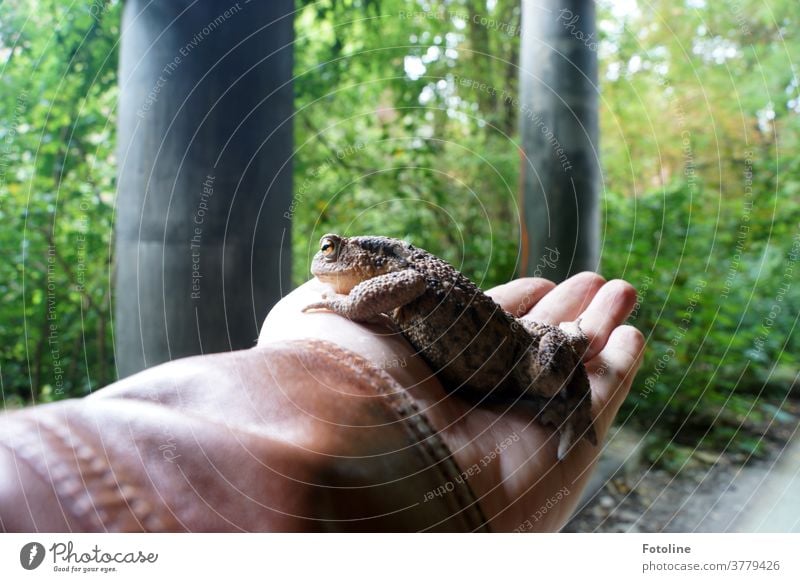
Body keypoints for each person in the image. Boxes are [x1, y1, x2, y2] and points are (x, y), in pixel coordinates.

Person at [0, 273, 643, 532]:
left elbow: (412, 280)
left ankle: (568, 407)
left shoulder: (388, 273)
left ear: (356, 257)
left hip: (507, 352)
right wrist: (340, 370)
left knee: (564, 350)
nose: (323, 263)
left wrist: (341, 309)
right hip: (470, 376)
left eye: (332, 252)